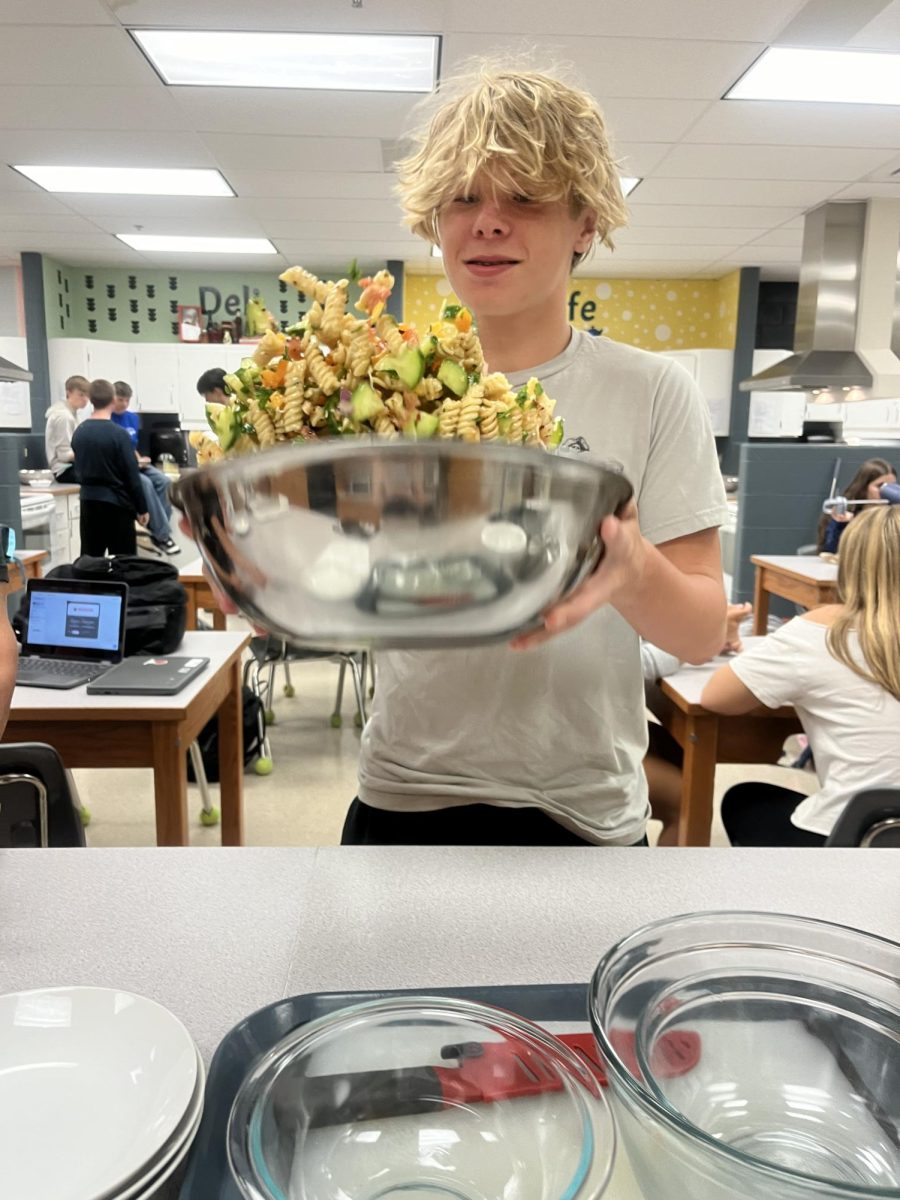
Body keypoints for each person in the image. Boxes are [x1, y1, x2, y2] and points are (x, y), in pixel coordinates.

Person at [337, 61, 728, 846]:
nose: (486, 222)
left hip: (582, 812)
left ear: (585, 223)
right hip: (403, 797)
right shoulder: (371, 387)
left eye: (523, 198)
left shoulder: (653, 390)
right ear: (433, 220)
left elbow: (701, 632)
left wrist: (632, 568)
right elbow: (350, 580)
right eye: (463, 197)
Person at [701, 506, 900, 846]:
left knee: (745, 800)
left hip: (858, 838)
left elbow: (715, 697)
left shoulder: (823, 631)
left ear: (849, 564)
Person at [642, 602, 752, 846]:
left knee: (686, 765)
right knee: (688, 802)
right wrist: (697, 643)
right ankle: (666, 885)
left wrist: (706, 641)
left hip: (587, 727)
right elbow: (630, 664)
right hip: (568, 742)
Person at [71, 379, 149, 557]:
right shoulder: (119, 434)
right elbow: (131, 474)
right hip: (117, 505)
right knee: (124, 563)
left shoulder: (80, 431)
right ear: (113, 400)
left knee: (90, 561)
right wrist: (141, 508)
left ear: (91, 399)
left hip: (88, 503)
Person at [111, 381, 180, 556]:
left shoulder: (132, 418)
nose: (124, 404)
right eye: (120, 399)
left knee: (164, 481)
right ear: (112, 398)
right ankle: (163, 535)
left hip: (135, 463)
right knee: (146, 484)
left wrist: (140, 458)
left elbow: (131, 446)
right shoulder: (107, 419)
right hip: (120, 468)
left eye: (127, 400)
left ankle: (155, 531)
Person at [816, 457, 895, 554]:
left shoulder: (894, 515)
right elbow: (829, 551)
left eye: (891, 486)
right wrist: (840, 525)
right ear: (864, 487)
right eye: (879, 486)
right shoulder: (846, 510)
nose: (886, 492)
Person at [44, 375, 89, 483]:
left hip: (72, 467)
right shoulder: (63, 417)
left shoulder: (73, 415)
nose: (85, 399)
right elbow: (64, 455)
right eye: (81, 395)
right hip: (63, 470)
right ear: (68, 392)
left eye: (87, 396)